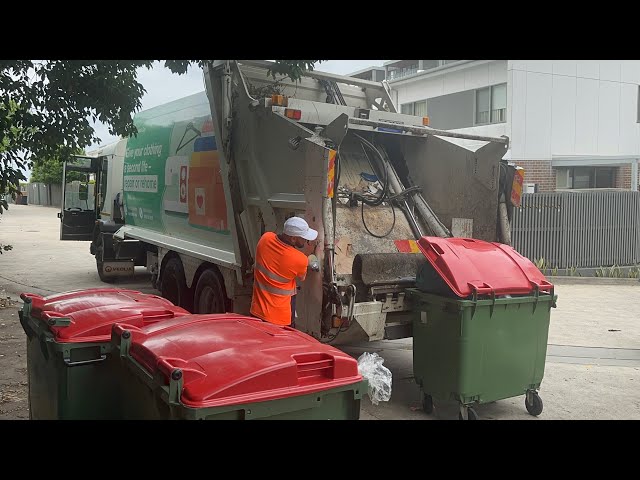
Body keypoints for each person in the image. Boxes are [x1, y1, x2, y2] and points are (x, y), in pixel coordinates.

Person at [250, 216, 318, 327]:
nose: (306, 241)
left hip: (257, 311)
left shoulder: (265, 239)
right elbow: (302, 277)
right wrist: (310, 259)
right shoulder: (299, 259)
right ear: (293, 239)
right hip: (280, 319)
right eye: (304, 238)